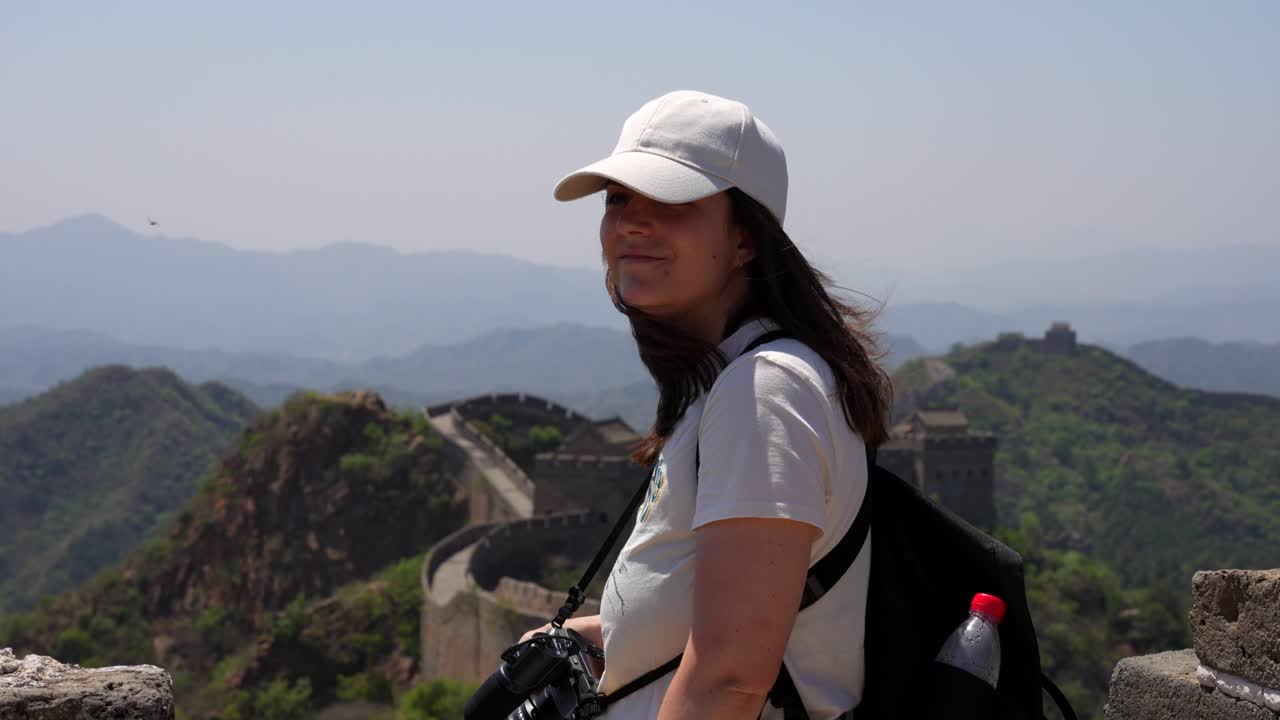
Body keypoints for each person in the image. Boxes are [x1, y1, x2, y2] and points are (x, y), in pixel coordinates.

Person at [522, 90, 893, 720]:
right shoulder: (728, 383)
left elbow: (729, 680)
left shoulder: (766, 393)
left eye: (670, 201)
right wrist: (602, 634)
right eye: (617, 199)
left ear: (746, 240)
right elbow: (726, 619)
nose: (631, 222)